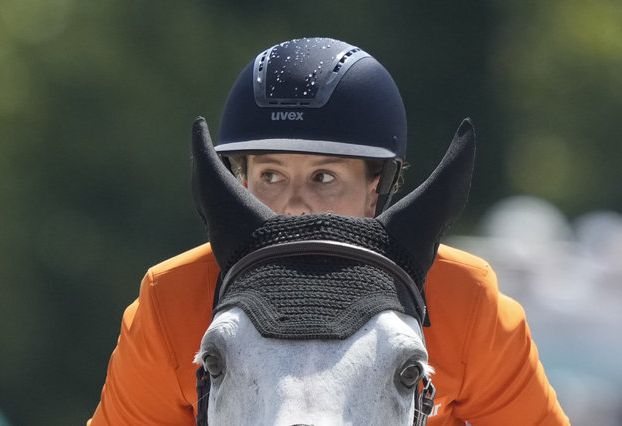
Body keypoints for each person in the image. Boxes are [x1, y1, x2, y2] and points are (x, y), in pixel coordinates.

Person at [89, 37, 569, 425]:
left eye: (324, 178)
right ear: (240, 183)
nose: (294, 206)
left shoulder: (466, 299)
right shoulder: (169, 299)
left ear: (376, 185)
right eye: (270, 176)